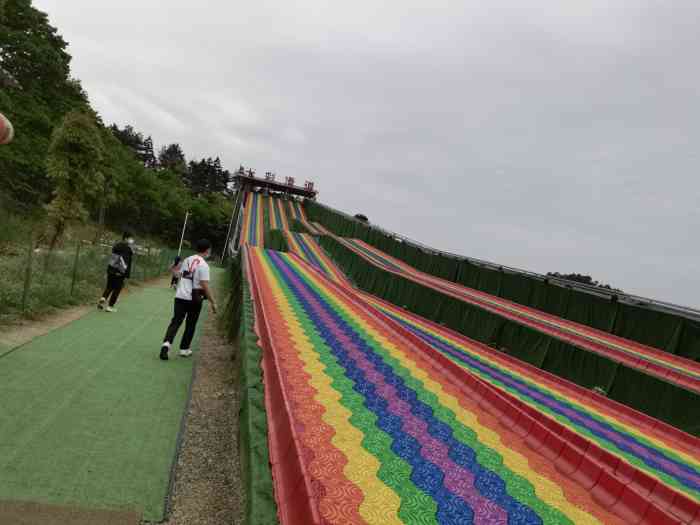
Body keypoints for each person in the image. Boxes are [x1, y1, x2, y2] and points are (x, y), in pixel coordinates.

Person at [159, 239, 217, 360]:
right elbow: (204, 284)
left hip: (180, 296)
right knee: (191, 323)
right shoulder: (204, 265)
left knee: (176, 321)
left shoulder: (187, 259)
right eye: (209, 250)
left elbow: (178, 274)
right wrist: (213, 302)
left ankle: (166, 344)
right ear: (207, 250)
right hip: (195, 298)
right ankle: (184, 349)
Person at [98, 232, 134, 312]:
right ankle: (110, 306)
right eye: (130, 238)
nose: (132, 240)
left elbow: (113, 258)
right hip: (120, 271)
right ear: (126, 238)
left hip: (111, 269)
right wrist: (123, 273)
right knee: (117, 289)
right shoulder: (127, 249)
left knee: (109, 286)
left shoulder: (116, 245)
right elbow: (125, 261)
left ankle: (102, 299)